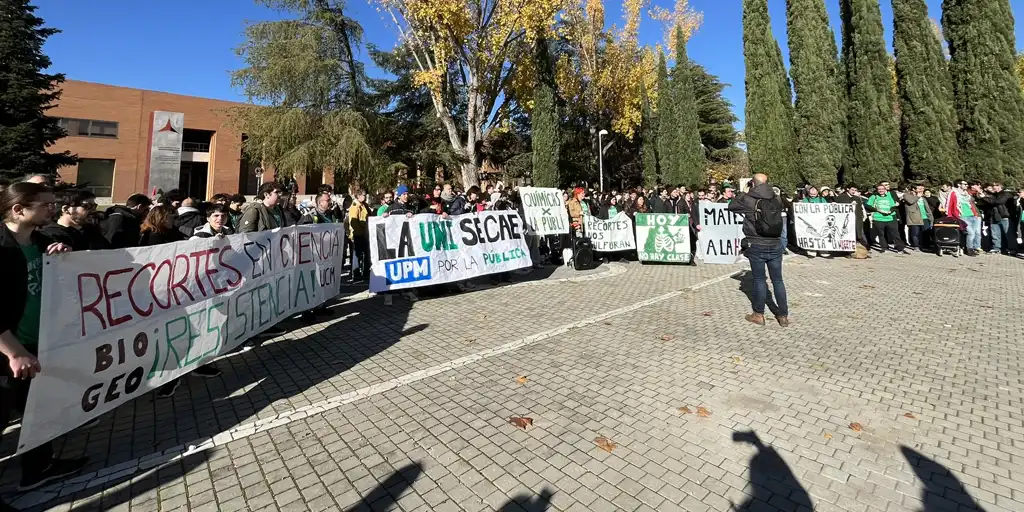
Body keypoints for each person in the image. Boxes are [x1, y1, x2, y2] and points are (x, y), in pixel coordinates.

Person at [0, 182, 88, 498]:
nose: (52, 209)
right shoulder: (2, 247)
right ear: (18, 209)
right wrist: (13, 351)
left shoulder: (43, 241)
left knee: (40, 411)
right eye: (45, 204)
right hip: (9, 351)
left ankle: (38, 469)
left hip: (40, 345)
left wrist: (64, 258)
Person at [729, 174, 789, 327]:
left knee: (759, 279)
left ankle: (758, 314)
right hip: (775, 243)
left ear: (753, 183)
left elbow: (732, 206)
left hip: (756, 243)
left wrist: (743, 191)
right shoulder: (776, 198)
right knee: (778, 280)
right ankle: (783, 316)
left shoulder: (749, 198)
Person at [40, 187, 110, 252]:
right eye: (88, 206)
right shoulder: (50, 235)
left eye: (94, 206)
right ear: (66, 209)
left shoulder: (92, 232)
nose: (93, 210)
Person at [865, 183, 908, 255]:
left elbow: (894, 205)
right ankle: (884, 247)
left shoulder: (889, 195)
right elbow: (868, 206)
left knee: (895, 234)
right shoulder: (874, 196)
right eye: (879, 189)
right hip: (878, 218)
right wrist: (878, 210)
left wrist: (890, 211)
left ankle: (899, 248)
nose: (881, 190)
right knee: (881, 234)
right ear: (877, 190)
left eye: (882, 189)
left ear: (885, 190)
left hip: (890, 217)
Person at [976, 183, 1015, 255]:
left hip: (1004, 216)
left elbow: (998, 202)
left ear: (1000, 186)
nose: (993, 187)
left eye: (995, 186)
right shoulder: (992, 195)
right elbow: (982, 203)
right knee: (995, 234)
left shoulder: (1005, 194)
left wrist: (984, 197)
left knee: (1008, 234)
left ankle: (1011, 249)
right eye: (993, 186)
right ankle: (996, 248)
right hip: (993, 216)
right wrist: (982, 196)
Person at [947, 179, 982, 256]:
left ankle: (970, 248)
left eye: (967, 184)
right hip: (962, 216)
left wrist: (978, 190)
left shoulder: (967, 193)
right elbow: (949, 204)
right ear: (959, 185)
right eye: (964, 184)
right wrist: (949, 216)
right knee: (971, 233)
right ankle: (969, 249)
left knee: (974, 233)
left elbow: (977, 197)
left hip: (972, 215)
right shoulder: (953, 193)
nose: (967, 185)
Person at [902, 184, 935, 251]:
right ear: (914, 189)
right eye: (919, 188)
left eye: (922, 189)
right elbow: (911, 201)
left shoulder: (923, 198)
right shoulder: (907, 195)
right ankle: (916, 246)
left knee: (926, 233)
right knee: (915, 233)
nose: (921, 190)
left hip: (925, 217)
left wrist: (931, 217)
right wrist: (917, 196)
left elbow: (927, 208)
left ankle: (926, 246)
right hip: (914, 217)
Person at [347, 191, 369, 281]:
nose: (365, 196)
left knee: (365, 254)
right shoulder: (355, 206)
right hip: (358, 234)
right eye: (364, 195)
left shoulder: (363, 205)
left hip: (364, 233)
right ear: (359, 196)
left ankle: (364, 271)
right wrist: (361, 231)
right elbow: (353, 222)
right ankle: (355, 273)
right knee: (357, 254)